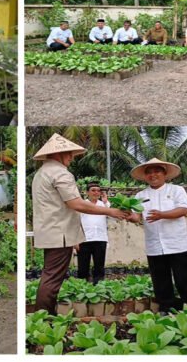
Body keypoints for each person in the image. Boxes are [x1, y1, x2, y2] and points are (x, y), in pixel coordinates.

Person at [31, 134, 128, 315]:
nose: (72, 157)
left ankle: (45, 316)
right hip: (60, 233)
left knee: (50, 276)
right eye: (69, 153)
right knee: (52, 279)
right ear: (58, 153)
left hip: (50, 231)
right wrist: (110, 211)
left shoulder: (42, 173)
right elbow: (76, 204)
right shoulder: (60, 173)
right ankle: (43, 318)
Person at [126, 158, 187, 313]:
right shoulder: (140, 195)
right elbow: (137, 217)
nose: (153, 175)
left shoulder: (176, 190)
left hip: (177, 244)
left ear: (165, 174)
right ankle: (166, 307)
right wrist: (128, 216)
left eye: (157, 171)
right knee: (160, 280)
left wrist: (162, 215)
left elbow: (184, 210)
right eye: (149, 172)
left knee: (184, 279)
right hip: (154, 245)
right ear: (145, 177)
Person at [77, 183, 110, 285]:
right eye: (93, 190)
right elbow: (76, 223)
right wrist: (75, 241)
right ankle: (82, 288)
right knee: (83, 266)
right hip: (84, 239)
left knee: (99, 266)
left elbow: (113, 215)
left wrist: (105, 203)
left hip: (100, 239)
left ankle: (98, 287)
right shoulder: (81, 205)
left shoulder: (105, 205)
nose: (96, 192)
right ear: (87, 192)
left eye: (98, 190)